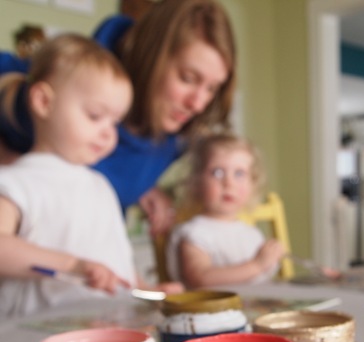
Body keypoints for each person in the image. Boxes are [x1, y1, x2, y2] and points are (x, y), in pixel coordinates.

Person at [0, 0, 237, 234]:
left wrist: (143, 187)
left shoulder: (178, 135)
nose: (197, 104)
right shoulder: (69, 86)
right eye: (187, 78)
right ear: (151, 55)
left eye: (212, 88)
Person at [0, 34, 181, 318]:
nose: (109, 133)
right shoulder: (16, 182)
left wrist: (150, 291)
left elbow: (116, 265)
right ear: (44, 102)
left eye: (115, 122)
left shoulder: (100, 186)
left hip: (103, 338)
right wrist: (72, 265)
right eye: (96, 116)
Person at [166, 134, 286, 288]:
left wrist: (271, 259)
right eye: (217, 172)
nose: (229, 183)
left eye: (239, 174)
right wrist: (256, 265)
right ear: (196, 182)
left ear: (253, 183)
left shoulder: (252, 234)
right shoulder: (194, 233)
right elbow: (200, 278)